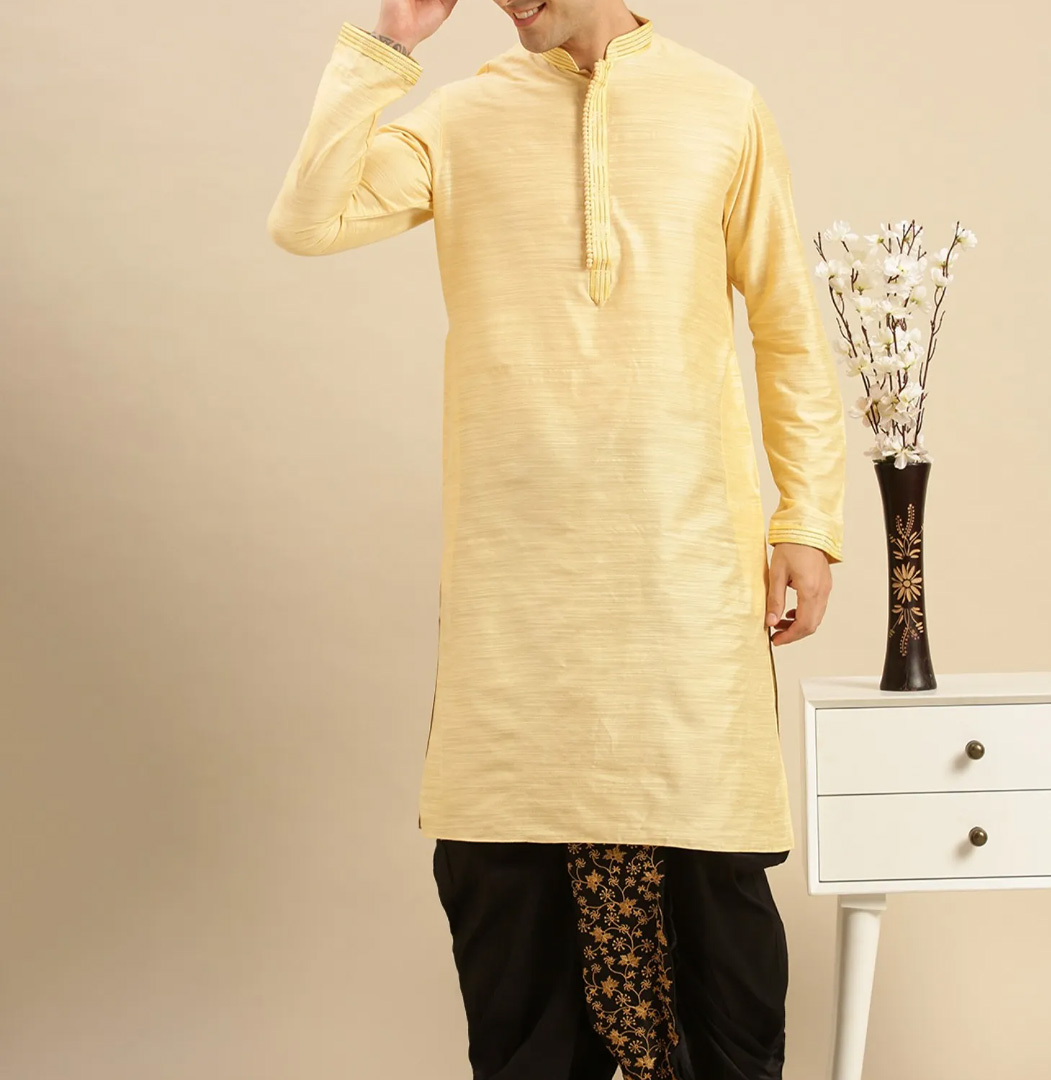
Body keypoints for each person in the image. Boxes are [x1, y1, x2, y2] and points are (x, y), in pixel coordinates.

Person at [267, 2, 846, 1077]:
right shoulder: (462, 118)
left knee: (718, 932)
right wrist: (391, 42)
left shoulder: (722, 108)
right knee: (510, 912)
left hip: (683, 576)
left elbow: (784, 325)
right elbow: (309, 218)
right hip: (516, 594)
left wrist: (806, 518)